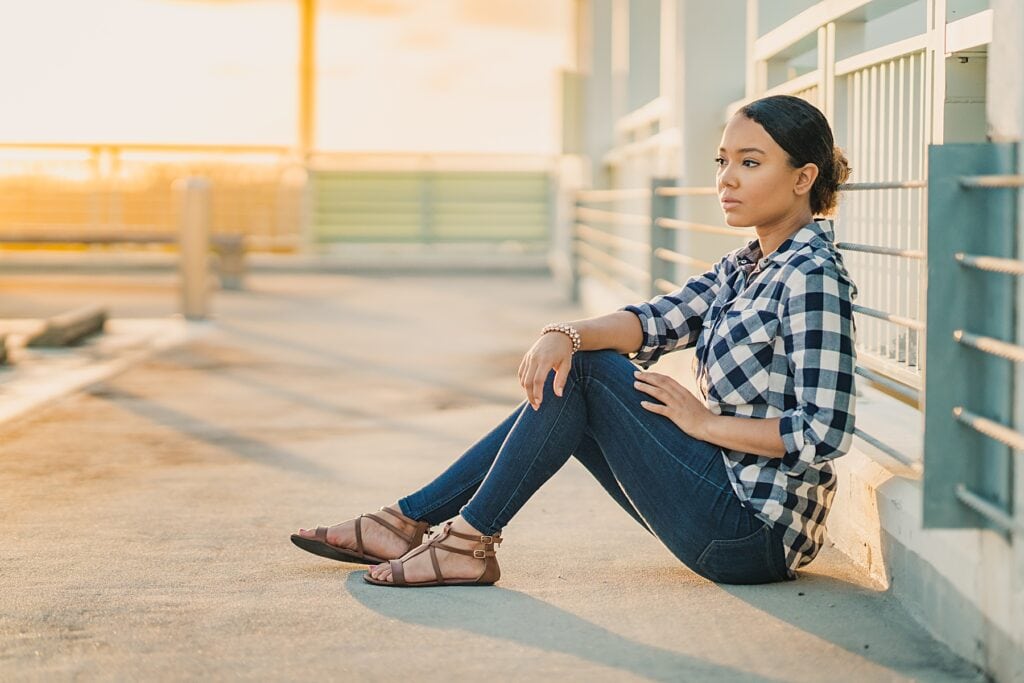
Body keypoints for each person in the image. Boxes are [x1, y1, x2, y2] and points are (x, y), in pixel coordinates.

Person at [291, 94, 858, 587]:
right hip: (719, 497)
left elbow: (823, 432)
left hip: (752, 533)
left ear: (803, 177)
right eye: (723, 161)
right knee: (579, 367)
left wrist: (704, 424)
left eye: (750, 163)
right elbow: (653, 321)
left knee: (586, 372)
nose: (725, 179)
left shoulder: (811, 277)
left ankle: (449, 536)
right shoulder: (746, 267)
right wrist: (562, 333)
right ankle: (413, 524)